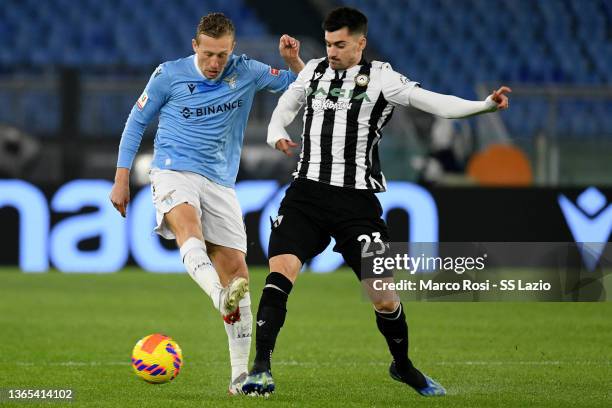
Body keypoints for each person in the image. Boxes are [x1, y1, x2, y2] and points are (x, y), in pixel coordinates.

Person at [242, 7, 510, 397]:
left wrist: (483, 105)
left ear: (360, 43)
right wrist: (275, 134)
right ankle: (261, 368)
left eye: (340, 44)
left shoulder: (383, 79)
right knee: (280, 273)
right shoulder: (313, 70)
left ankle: (402, 367)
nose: (332, 51)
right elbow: (284, 109)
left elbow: (434, 103)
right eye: (329, 43)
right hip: (306, 196)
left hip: (357, 206)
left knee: (384, 297)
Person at [109, 12, 304, 394]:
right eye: (209, 54)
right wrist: (120, 179)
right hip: (172, 169)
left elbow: (301, 84)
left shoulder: (247, 70)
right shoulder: (168, 74)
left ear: (233, 49)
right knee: (187, 227)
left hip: (220, 181)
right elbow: (136, 123)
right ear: (195, 46)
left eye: (223, 55)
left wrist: (292, 59)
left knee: (238, 274)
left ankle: (238, 376)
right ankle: (217, 295)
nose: (215, 63)